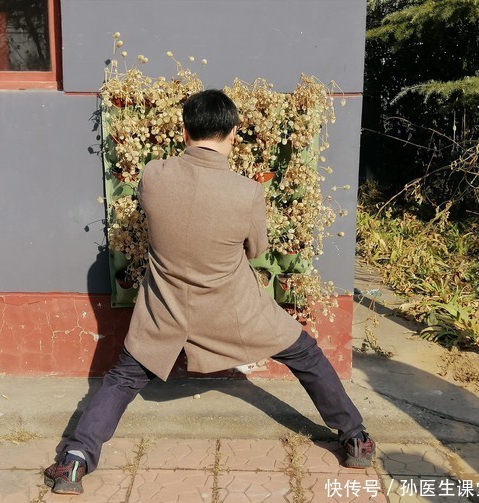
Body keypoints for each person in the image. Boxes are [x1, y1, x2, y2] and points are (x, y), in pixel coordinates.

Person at [43, 89, 374, 495]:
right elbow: (257, 250)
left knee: (123, 377)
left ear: (184, 131)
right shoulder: (247, 192)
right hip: (233, 308)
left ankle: (75, 460)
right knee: (305, 353)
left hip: (165, 310)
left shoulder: (153, 175)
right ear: (233, 133)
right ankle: (354, 438)